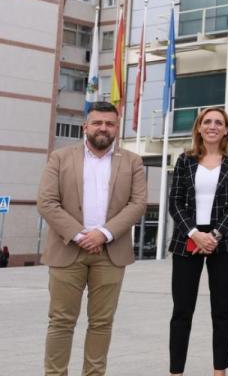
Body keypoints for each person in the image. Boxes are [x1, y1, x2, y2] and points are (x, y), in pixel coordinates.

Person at [37, 101, 148, 376]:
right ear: (85, 126)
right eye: (97, 122)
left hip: (111, 253)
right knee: (61, 321)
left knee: (101, 323)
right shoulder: (60, 158)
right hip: (67, 251)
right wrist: (79, 234)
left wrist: (103, 233)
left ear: (116, 128)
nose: (103, 128)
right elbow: (47, 202)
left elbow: (138, 204)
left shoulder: (132, 161)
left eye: (109, 123)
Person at [167, 107, 228, 376]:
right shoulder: (184, 160)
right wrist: (194, 234)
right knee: (182, 310)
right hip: (188, 238)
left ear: (226, 130)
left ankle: (219, 371)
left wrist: (215, 235)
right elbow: (175, 202)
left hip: (223, 241)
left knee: (222, 310)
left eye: (219, 122)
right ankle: (176, 371)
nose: (213, 126)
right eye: (207, 121)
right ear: (199, 128)